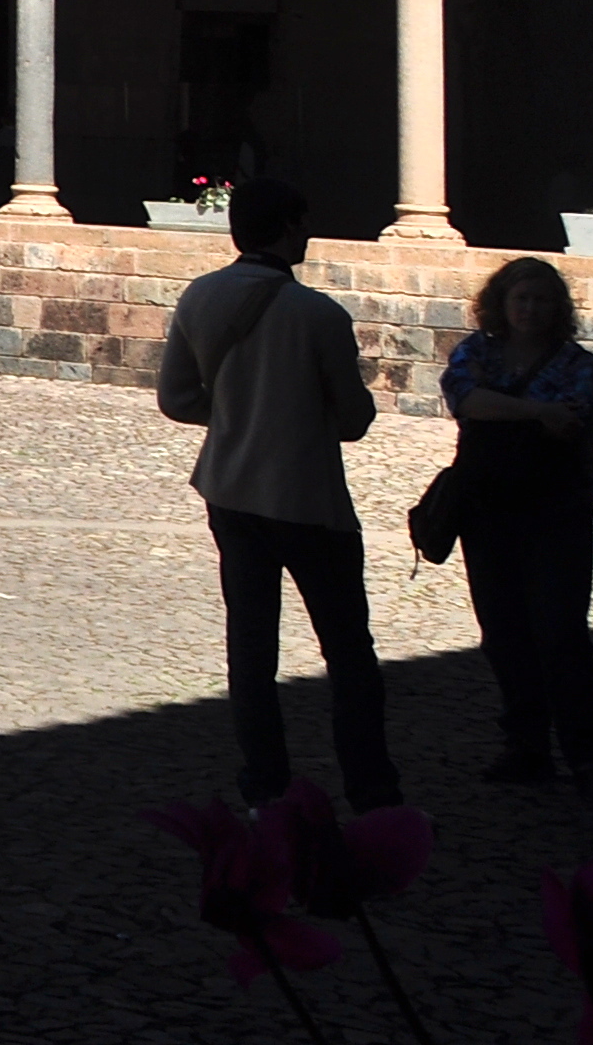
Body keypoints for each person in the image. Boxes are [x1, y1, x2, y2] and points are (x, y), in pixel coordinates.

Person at [158, 173, 398, 806]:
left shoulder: (199, 298)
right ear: (291, 227)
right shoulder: (318, 315)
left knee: (252, 645)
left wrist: (239, 411)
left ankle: (264, 783)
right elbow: (353, 420)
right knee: (348, 651)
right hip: (308, 500)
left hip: (230, 491)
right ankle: (372, 792)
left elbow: (177, 398)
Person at [447, 254, 593, 797]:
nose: (530, 308)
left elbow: (574, 417)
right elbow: (465, 400)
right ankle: (526, 743)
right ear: (501, 303)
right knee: (504, 631)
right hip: (488, 508)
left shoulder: (579, 364)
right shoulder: (476, 351)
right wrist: (536, 414)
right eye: (521, 298)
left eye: (541, 299)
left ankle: (587, 754)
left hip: (555, 512)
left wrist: (512, 412)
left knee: (562, 632)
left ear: (558, 308)